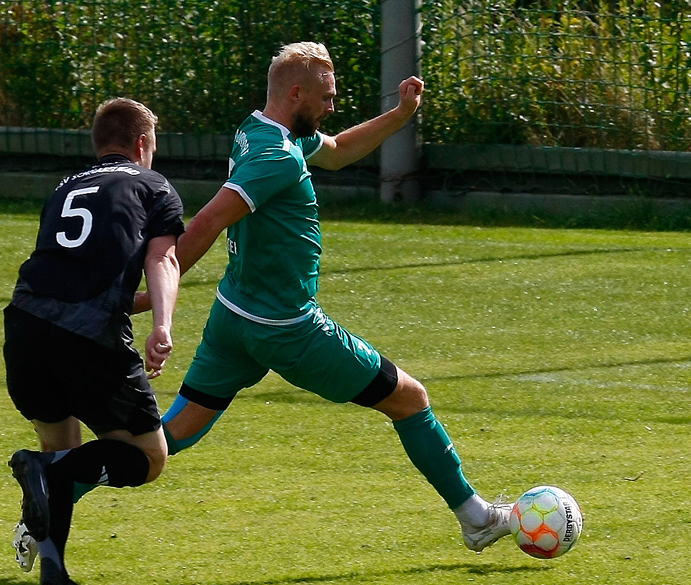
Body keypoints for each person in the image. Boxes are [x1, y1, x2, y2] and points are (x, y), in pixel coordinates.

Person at [157, 42, 512, 552]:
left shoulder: (260, 131)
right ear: (296, 93)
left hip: (234, 315)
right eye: (325, 97)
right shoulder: (278, 156)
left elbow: (341, 150)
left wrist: (400, 114)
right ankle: (476, 517)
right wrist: (156, 295)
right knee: (409, 399)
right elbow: (210, 219)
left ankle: (59, 479)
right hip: (287, 327)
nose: (331, 106)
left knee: (173, 434)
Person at [3, 97, 184, 585]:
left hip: (24, 327)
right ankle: (49, 471)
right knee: (148, 457)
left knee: (60, 449)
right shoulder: (152, 185)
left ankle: (53, 581)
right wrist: (163, 325)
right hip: (89, 334)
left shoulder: (65, 187)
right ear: (142, 144)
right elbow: (163, 257)